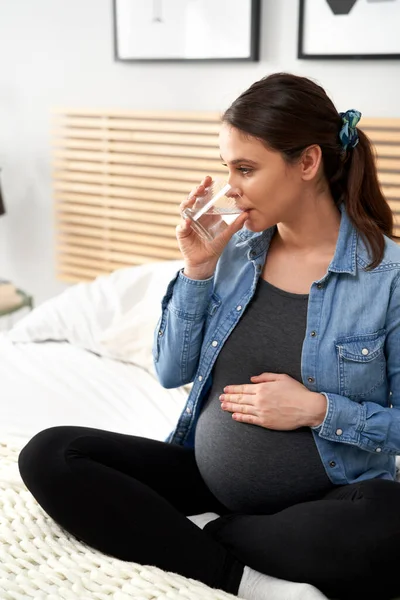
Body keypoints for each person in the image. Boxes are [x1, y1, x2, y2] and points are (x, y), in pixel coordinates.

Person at [18, 73, 400, 600]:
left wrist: (316, 409)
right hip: (205, 476)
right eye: (228, 169)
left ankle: (195, 537)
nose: (230, 189)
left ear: (308, 163)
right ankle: (240, 577)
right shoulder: (231, 255)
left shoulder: (389, 278)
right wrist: (197, 268)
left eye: (246, 169)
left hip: (330, 499)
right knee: (50, 454)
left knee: (390, 525)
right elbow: (170, 370)